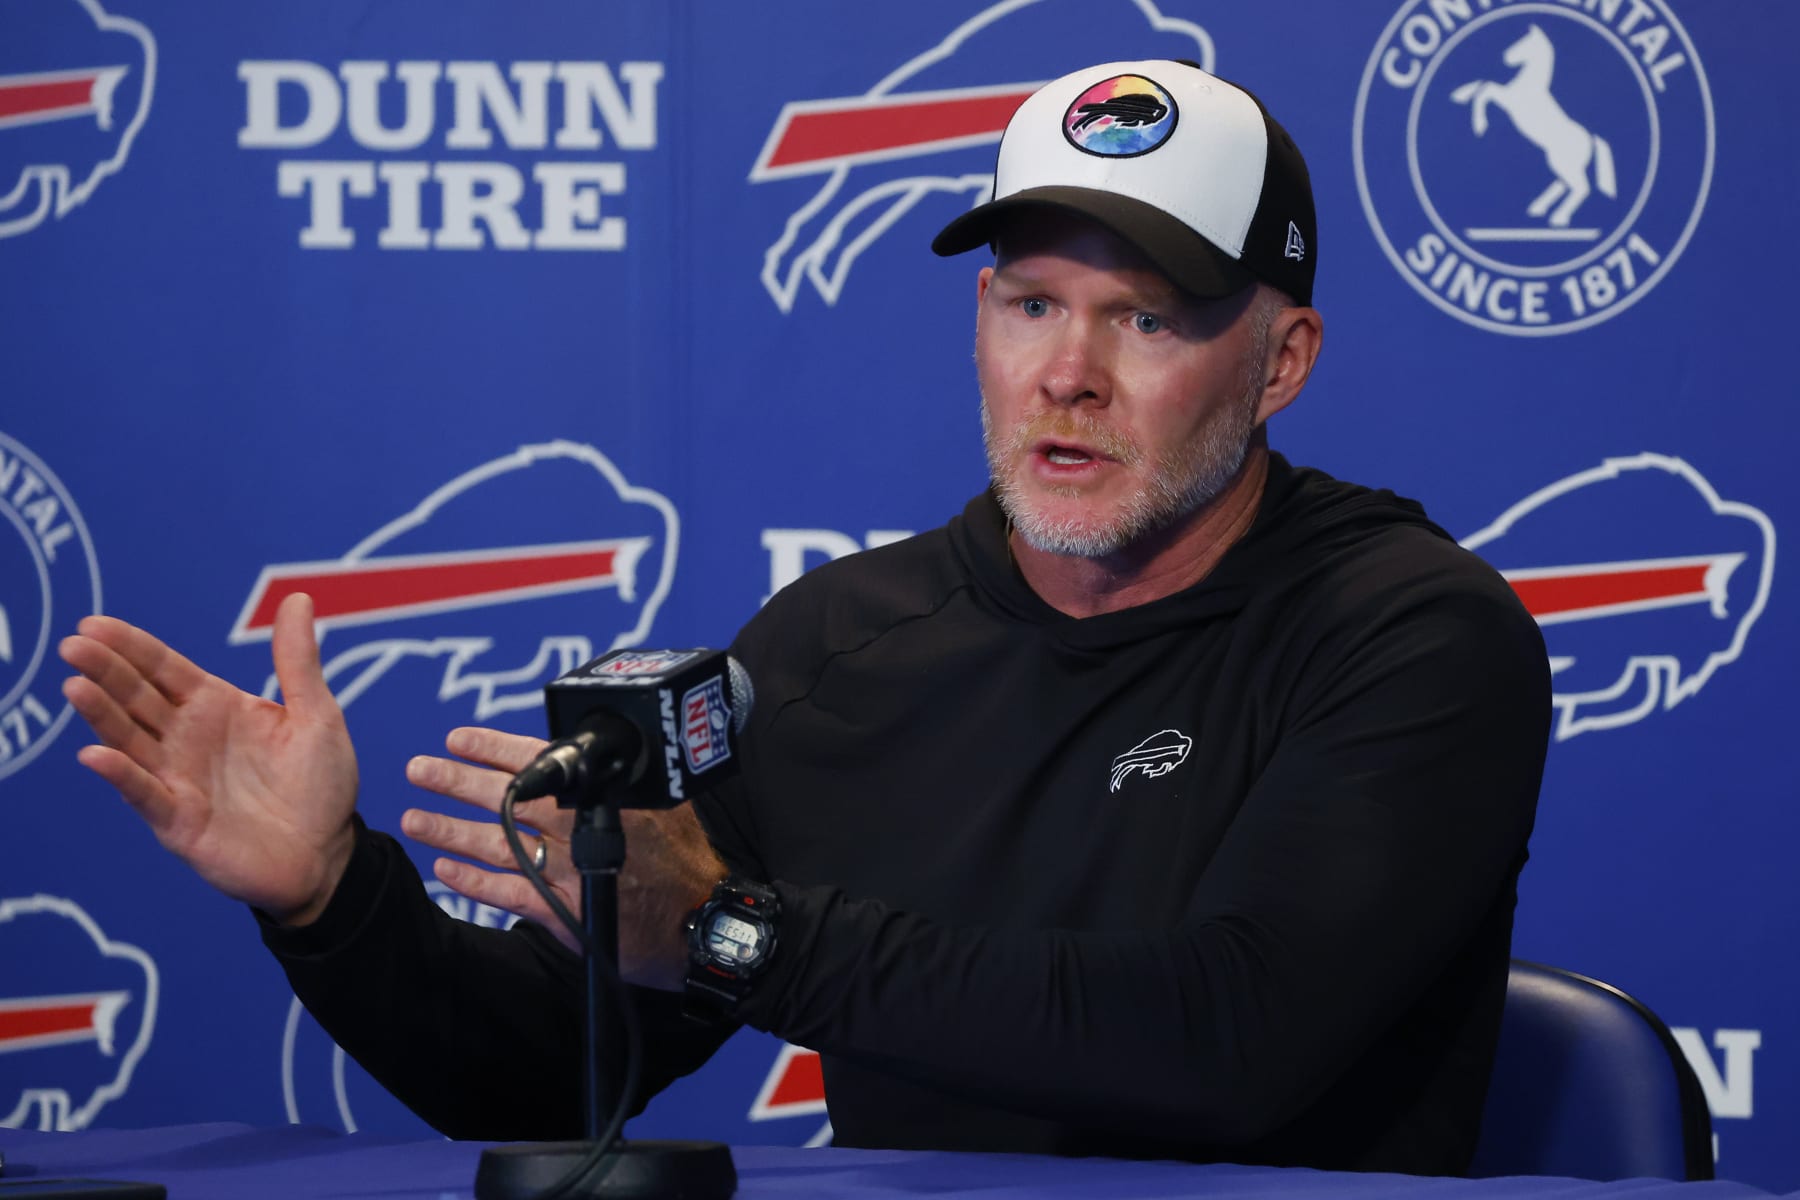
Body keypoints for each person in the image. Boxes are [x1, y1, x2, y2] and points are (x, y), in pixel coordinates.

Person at [58, 60, 1549, 1174]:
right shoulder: (843, 644)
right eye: (1028, 302)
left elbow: (1230, 1042)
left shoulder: (1413, 633)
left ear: (1281, 361)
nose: (1067, 373)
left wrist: (727, 926)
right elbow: (546, 1075)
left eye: (1145, 319)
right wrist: (332, 899)